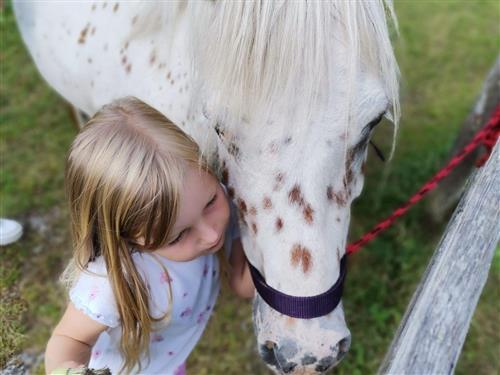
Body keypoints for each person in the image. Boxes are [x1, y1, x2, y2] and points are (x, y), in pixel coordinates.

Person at [44, 97, 254, 375]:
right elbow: (69, 339)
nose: (211, 233)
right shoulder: (115, 282)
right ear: (127, 237)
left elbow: (242, 283)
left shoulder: (196, 201)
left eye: (212, 201)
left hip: (168, 362)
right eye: (178, 236)